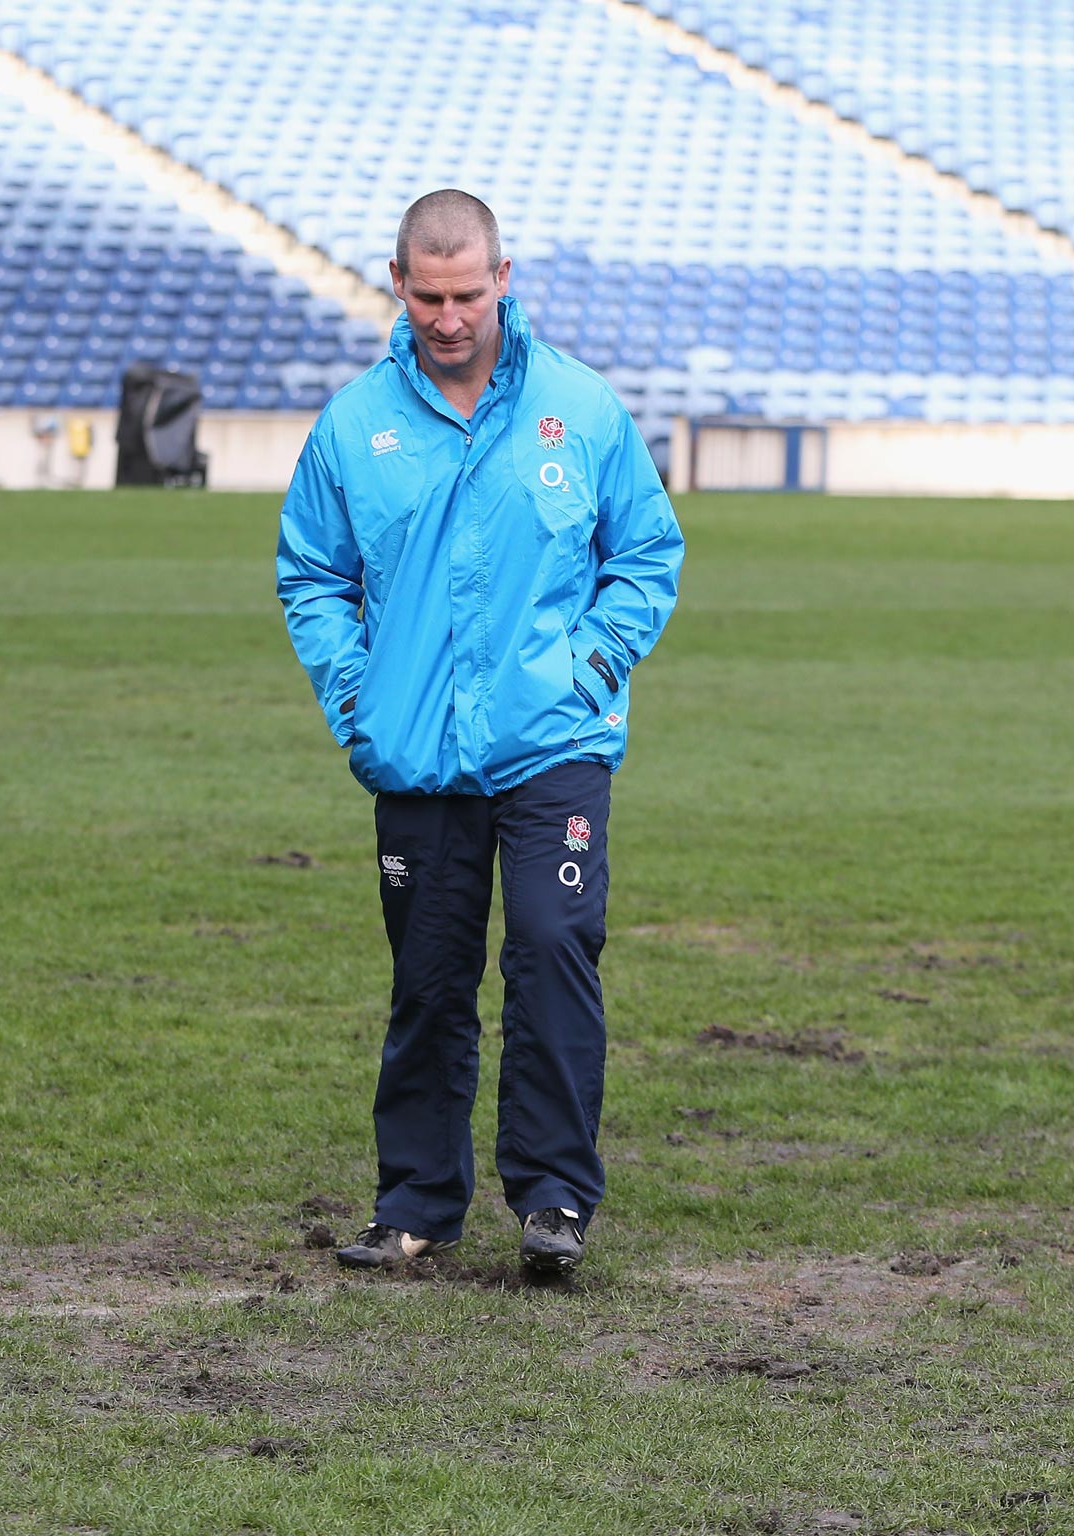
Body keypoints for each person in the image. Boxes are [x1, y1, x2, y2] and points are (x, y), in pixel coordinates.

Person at [275, 190, 684, 1276]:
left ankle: (553, 1202)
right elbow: (311, 576)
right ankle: (414, 1207)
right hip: (413, 750)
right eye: (427, 295)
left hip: (552, 741)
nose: (448, 317)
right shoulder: (352, 427)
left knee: (553, 953)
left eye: (467, 294)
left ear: (503, 280)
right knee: (428, 977)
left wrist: (590, 664)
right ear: (397, 285)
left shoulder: (580, 410)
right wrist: (355, 697)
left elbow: (646, 555)